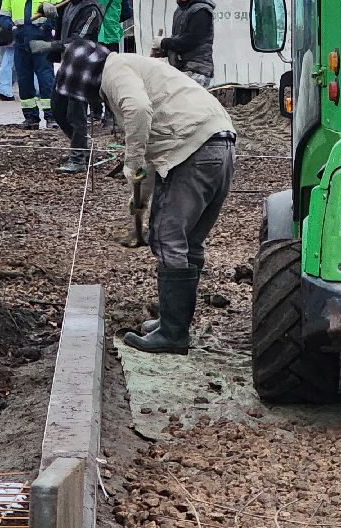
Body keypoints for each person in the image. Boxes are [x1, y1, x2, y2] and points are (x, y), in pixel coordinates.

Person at [55, 44, 235, 354]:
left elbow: (138, 111)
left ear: (85, 78)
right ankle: (172, 322)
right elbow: (154, 151)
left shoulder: (114, 72)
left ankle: (173, 335)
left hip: (192, 149)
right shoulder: (136, 67)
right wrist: (139, 202)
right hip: (219, 145)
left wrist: (131, 160)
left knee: (167, 238)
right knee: (188, 241)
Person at [41, 0, 104, 173]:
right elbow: (60, 20)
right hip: (67, 64)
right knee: (57, 109)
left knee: (76, 113)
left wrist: (49, 47)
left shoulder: (91, 9)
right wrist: (48, 9)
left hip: (83, 67)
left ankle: (78, 157)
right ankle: (81, 147)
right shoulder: (69, 4)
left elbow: (79, 39)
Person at [0, 0, 63, 126]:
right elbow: (3, 16)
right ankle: (30, 116)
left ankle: (51, 116)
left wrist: (47, 26)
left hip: (42, 40)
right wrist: (12, 28)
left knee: (46, 78)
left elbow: (59, 11)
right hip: (21, 41)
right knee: (24, 80)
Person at [153, 0, 215, 87]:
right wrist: (163, 52)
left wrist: (164, 43)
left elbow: (190, 41)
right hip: (183, 68)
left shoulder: (201, 11)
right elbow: (179, 39)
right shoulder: (180, 10)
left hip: (197, 70)